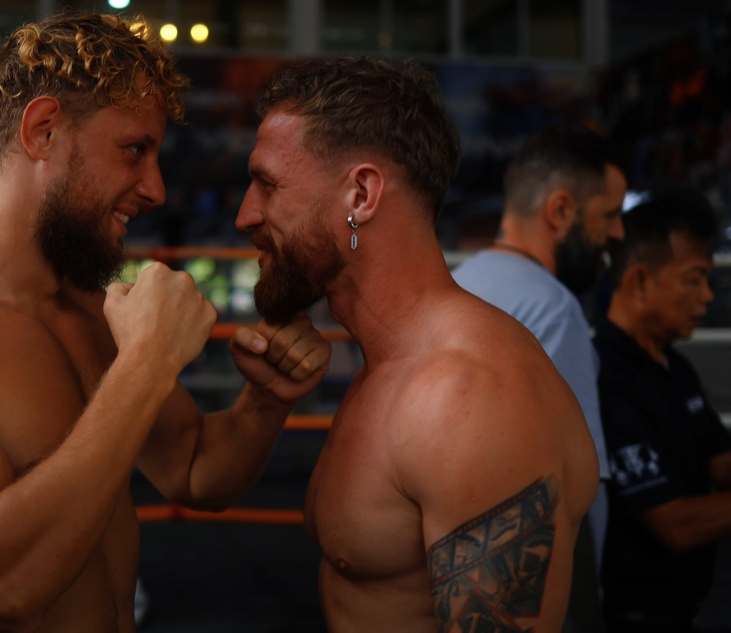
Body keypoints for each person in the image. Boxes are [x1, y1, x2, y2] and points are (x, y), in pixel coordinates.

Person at [0, 11, 331, 632]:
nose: (156, 189)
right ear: (43, 130)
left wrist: (266, 401)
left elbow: (196, 468)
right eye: (135, 151)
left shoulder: (90, 304)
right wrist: (146, 362)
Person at [236, 56, 599, 632]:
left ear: (361, 194)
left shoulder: (470, 400)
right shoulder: (391, 365)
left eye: (268, 184)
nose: (245, 215)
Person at [452, 125, 627, 631]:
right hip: (529, 588)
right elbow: (576, 488)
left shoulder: (461, 283)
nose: (617, 233)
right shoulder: (554, 310)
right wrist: (587, 615)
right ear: (561, 211)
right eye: (609, 214)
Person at [597, 189, 731, 633]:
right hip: (629, 618)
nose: (707, 296)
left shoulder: (674, 366)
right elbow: (674, 525)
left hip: (685, 609)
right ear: (639, 281)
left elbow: (724, 462)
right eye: (694, 279)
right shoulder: (607, 377)